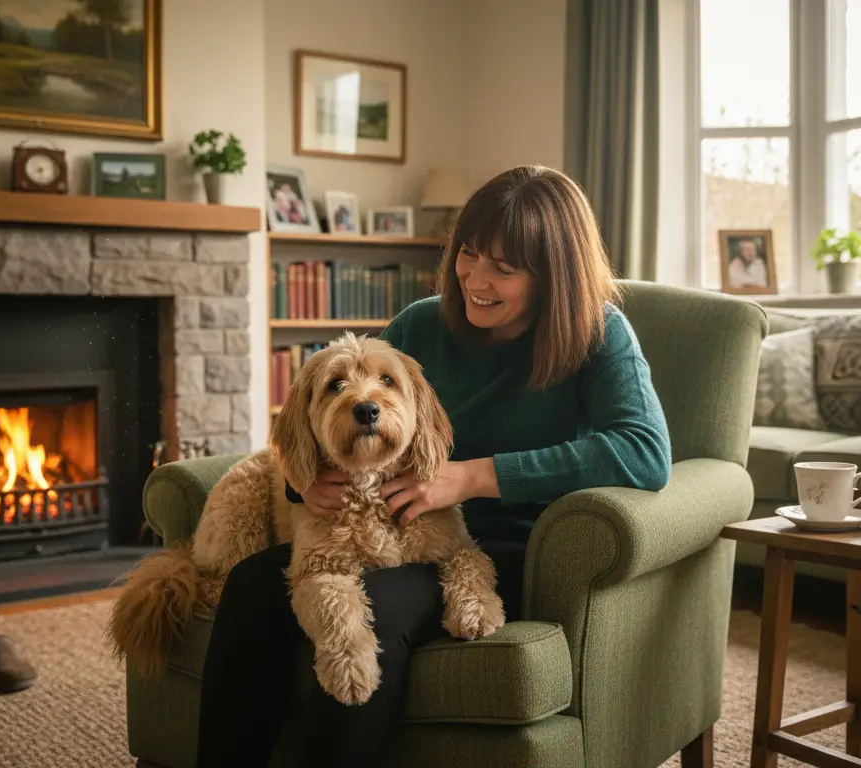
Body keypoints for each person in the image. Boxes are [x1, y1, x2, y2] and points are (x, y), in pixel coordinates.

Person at [194, 165, 673, 768]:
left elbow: (644, 451)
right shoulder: (422, 322)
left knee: (368, 615)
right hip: (387, 530)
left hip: (501, 552)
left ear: (555, 273)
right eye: (469, 254)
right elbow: (340, 412)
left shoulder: (598, 333)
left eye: (505, 267)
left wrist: (472, 476)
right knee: (252, 585)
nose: (475, 278)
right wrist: (302, 481)